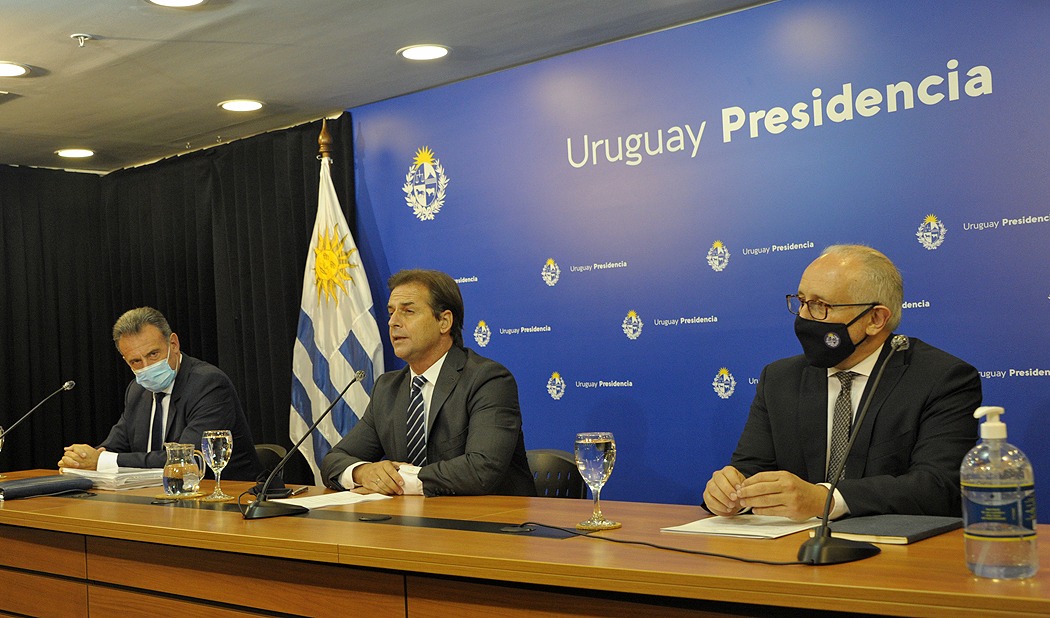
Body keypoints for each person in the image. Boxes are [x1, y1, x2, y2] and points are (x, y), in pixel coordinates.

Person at [703, 245, 981, 521]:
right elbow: (750, 470)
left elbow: (938, 486)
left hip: (891, 544)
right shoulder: (779, 379)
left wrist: (825, 499)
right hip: (794, 543)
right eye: (801, 301)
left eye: (820, 306)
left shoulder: (942, 378)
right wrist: (730, 493)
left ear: (875, 319)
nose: (804, 317)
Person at [321, 269, 535, 497]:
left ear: (444, 321)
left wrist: (398, 480)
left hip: (490, 516)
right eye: (391, 313)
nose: (393, 322)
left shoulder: (487, 380)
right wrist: (363, 472)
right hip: (413, 516)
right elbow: (334, 460)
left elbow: (482, 468)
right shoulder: (387, 389)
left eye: (408, 311)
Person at [58, 307, 261, 481]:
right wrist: (81, 460)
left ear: (173, 344)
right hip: (156, 497)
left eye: (153, 354)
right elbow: (112, 447)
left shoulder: (208, 384)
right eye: (136, 361)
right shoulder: (137, 390)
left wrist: (101, 461)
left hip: (228, 497)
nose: (146, 367)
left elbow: (187, 460)